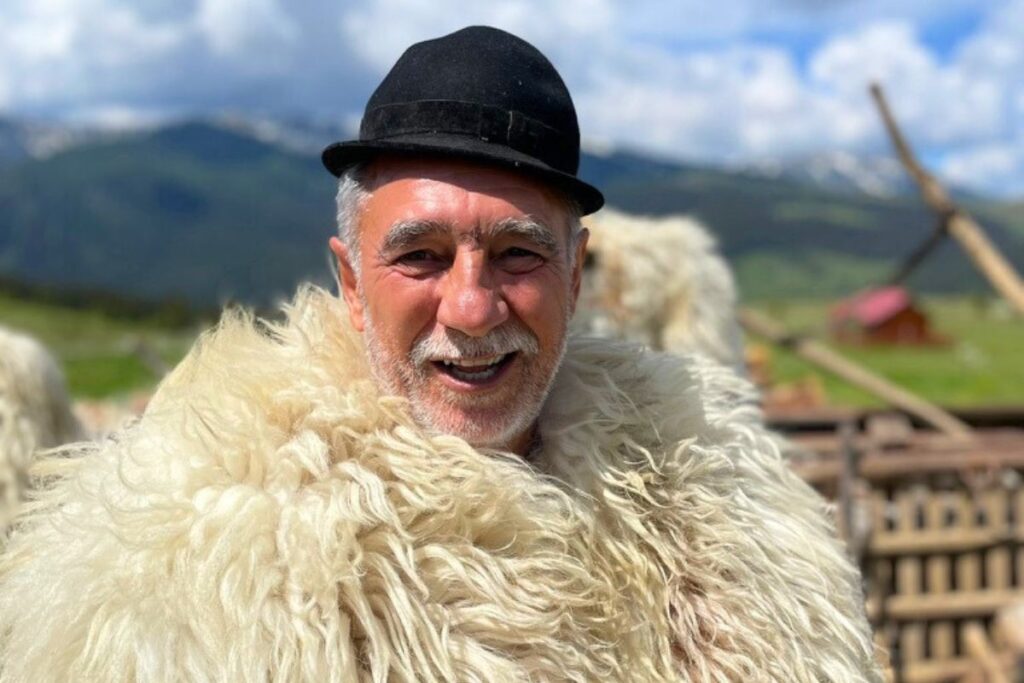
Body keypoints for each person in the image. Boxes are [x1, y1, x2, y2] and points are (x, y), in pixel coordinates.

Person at [0, 26, 882, 681]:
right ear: (349, 282)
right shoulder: (191, 566)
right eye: (420, 255)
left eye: (519, 254)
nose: (469, 307)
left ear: (577, 279)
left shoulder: (721, 509)